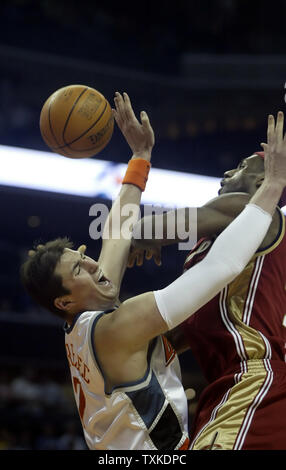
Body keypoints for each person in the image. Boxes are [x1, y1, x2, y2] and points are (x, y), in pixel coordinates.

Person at [20, 95, 286, 450]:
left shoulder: (89, 323)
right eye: (79, 268)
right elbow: (220, 267)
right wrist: (272, 185)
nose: (93, 263)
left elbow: (118, 232)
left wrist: (140, 157)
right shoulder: (118, 326)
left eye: (84, 256)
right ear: (65, 299)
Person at [131, 113, 286, 450]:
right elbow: (197, 324)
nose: (228, 173)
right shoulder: (220, 243)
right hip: (227, 385)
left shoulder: (248, 209)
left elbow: (146, 229)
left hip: (254, 377)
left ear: (262, 184)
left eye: (242, 167)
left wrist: (138, 240)